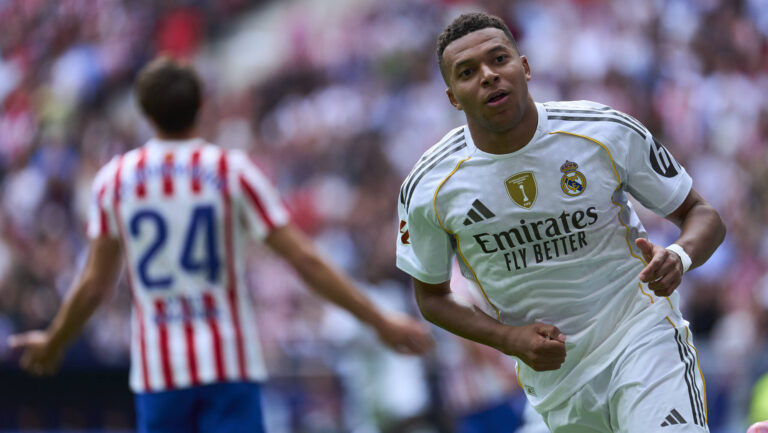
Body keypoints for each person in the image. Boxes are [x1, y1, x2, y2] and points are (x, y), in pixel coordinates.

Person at [8, 57, 433, 433]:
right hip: (227, 361)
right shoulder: (232, 171)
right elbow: (304, 259)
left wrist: (54, 341)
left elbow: (94, 285)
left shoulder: (114, 180)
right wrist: (379, 319)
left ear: (145, 113)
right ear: (201, 106)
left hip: (159, 372)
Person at [396, 12, 725, 433]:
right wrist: (508, 338)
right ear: (453, 98)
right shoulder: (429, 187)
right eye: (467, 72)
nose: (489, 75)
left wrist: (679, 256)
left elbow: (703, 215)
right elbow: (431, 296)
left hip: (641, 337)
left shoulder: (602, 131)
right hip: (555, 380)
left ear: (525, 67)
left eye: (499, 59)